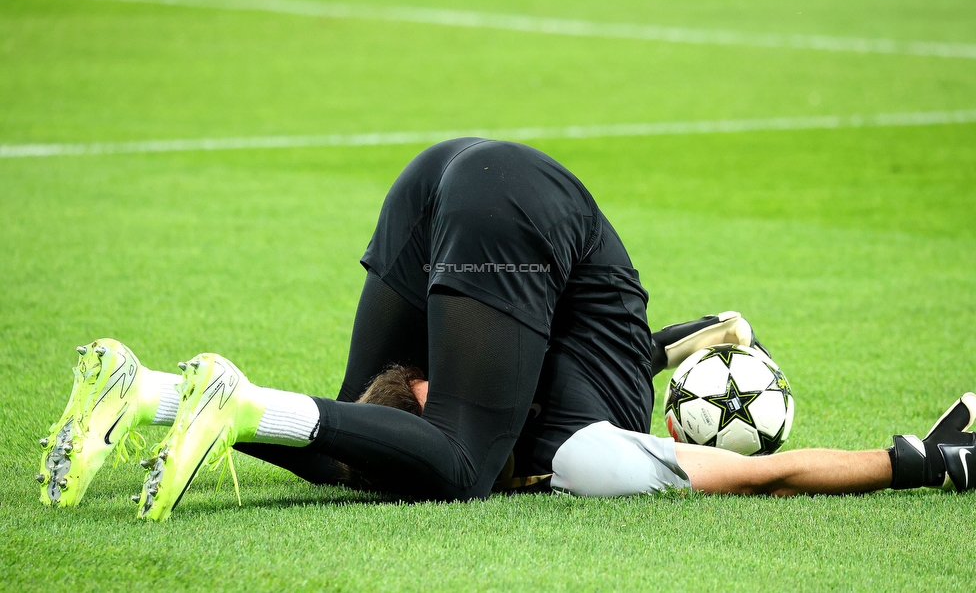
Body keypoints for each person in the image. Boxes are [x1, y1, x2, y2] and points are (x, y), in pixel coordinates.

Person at [37, 139, 976, 520]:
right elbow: (767, 471)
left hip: (451, 186)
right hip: (495, 190)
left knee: (369, 451)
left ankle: (155, 389)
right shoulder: (595, 454)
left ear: (424, 377)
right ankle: (202, 397)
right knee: (458, 468)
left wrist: (699, 336)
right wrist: (916, 460)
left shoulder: (568, 416)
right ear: (432, 378)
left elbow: (605, 348)